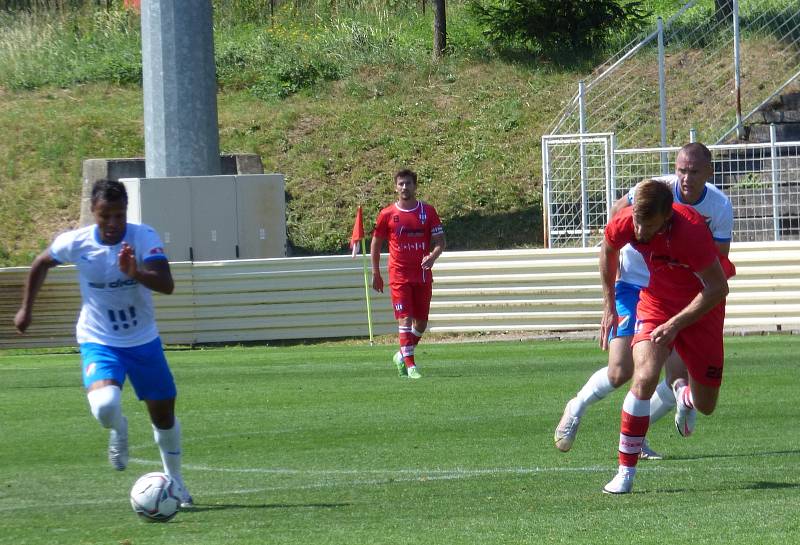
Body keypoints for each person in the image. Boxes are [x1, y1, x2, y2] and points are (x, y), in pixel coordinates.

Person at [13, 179, 192, 507]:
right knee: (106, 404)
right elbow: (41, 262)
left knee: (163, 415)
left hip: (143, 341)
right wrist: (26, 308)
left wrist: (134, 271)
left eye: (119, 216)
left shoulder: (143, 237)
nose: (113, 224)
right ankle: (118, 429)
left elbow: (166, 284)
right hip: (99, 339)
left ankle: (176, 482)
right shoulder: (76, 242)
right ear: (93, 213)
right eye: (105, 216)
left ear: (127, 212)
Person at [554, 142, 733, 459]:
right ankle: (577, 406)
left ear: (709, 172)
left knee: (673, 374)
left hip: (677, 293)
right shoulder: (654, 191)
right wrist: (609, 302)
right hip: (635, 283)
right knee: (620, 371)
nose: (686, 178)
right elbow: (615, 221)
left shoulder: (719, 207)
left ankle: (646, 429)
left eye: (694, 171)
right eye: (681, 170)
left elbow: (716, 264)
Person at [600, 179, 734, 494]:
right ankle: (625, 472)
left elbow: (718, 287)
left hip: (702, 307)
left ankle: (685, 397)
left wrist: (675, 325)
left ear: (666, 217)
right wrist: (608, 305)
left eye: (647, 226)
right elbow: (608, 248)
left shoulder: (691, 232)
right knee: (644, 377)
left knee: (707, 405)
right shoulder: (629, 221)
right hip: (656, 302)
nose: (639, 231)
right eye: (636, 222)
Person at [370, 169, 446, 379]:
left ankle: (401, 354)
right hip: (399, 275)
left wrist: (432, 257)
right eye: (401, 184)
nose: (405, 187)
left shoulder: (428, 211)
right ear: (395, 187)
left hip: (421, 275)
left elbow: (441, 242)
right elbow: (376, 245)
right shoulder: (387, 214)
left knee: (420, 323)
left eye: (408, 184)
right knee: (404, 319)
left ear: (415, 186)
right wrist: (376, 272)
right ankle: (411, 365)